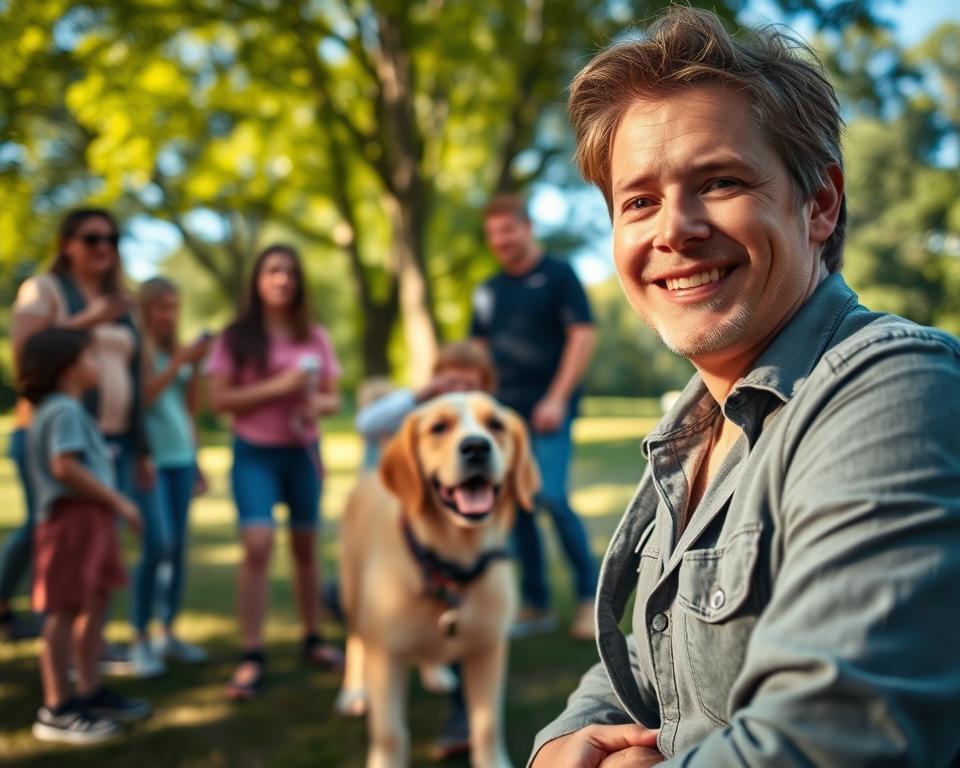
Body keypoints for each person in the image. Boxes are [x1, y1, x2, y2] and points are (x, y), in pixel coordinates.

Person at [531, 7, 960, 767]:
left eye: (719, 181)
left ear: (819, 203)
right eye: (638, 201)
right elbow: (651, 648)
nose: (675, 228)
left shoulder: (894, 388)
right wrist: (561, 742)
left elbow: (838, 738)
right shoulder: (695, 422)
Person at [7, 208, 153, 673]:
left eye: (112, 238)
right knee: (50, 536)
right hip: (56, 438)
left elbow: (135, 372)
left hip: (112, 439)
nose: (103, 248)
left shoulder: (120, 300)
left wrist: (141, 445)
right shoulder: (44, 290)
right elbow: (29, 356)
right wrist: (89, 319)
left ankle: (90, 656)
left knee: (97, 552)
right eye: (92, 238)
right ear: (67, 243)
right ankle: (60, 669)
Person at [206, 243, 342, 700]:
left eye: (289, 271)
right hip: (255, 454)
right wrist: (277, 387)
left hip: (302, 454)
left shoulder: (315, 335)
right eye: (272, 271)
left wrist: (312, 404)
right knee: (258, 545)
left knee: (306, 547)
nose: (282, 279)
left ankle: (313, 639)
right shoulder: (235, 337)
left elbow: (332, 398)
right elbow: (219, 401)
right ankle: (252, 654)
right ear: (257, 281)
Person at [352, 340, 498, 760]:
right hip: (398, 532)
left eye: (469, 383)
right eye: (449, 380)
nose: (459, 389)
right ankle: (363, 680)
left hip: (473, 546)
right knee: (379, 610)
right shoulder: (420, 415)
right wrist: (419, 395)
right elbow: (367, 423)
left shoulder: (489, 426)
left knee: (466, 622)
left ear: (485, 387)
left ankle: (463, 717)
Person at [470, 193, 599, 641]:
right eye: (493, 235)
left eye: (508, 230)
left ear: (527, 228)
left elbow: (582, 336)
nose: (501, 241)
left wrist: (557, 398)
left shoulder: (558, 276)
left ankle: (591, 598)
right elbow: (479, 353)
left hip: (549, 412)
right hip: (504, 418)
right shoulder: (488, 292)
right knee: (518, 508)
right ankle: (535, 604)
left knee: (552, 498)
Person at [20, 328, 151, 744]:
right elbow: (65, 467)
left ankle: (89, 691)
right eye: (92, 357)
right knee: (63, 612)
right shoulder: (64, 411)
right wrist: (119, 501)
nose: (99, 365)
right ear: (67, 369)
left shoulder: (68, 408)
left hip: (89, 520)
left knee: (95, 602)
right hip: (71, 521)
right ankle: (57, 708)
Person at [127, 277, 211, 677]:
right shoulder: (138, 350)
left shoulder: (173, 351)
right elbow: (141, 399)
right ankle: (139, 637)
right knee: (157, 544)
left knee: (177, 548)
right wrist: (179, 364)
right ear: (145, 309)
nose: (168, 315)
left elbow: (189, 407)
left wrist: (193, 368)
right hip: (150, 459)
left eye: (174, 306)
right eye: (161, 306)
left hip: (180, 457)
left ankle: (168, 631)